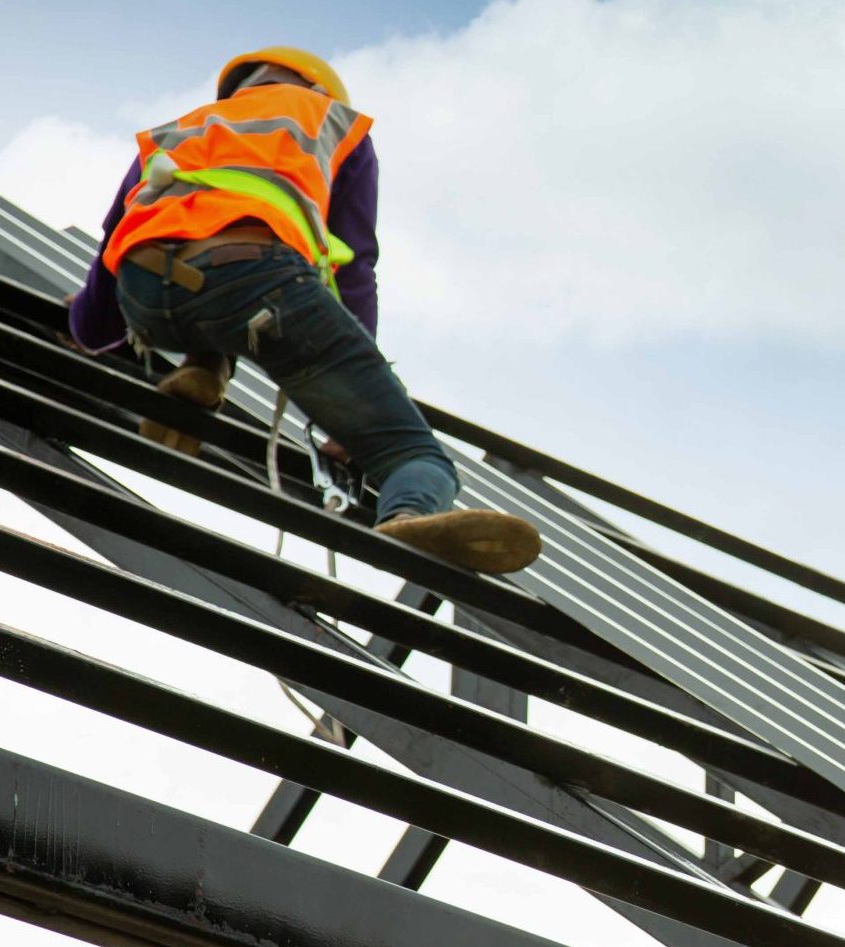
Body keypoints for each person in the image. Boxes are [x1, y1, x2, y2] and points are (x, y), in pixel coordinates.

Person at [64, 47, 541, 574]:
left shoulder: (177, 131)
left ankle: (202, 371)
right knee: (413, 452)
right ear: (319, 90)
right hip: (254, 281)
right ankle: (405, 515)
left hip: (146, 301)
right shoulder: (333, 124)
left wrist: (83, 321)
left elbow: (101, 298)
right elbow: (355, 264)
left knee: (223, 311)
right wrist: (360, 384)